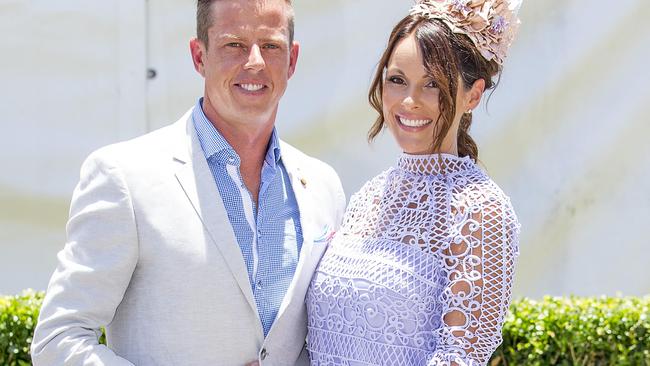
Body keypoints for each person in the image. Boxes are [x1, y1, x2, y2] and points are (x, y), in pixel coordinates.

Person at [31, 0, 346, 365]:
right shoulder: (124, 177)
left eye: (270, 45)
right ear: (199, 56)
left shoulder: (323, 186)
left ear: (292, 60)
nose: (255, 62)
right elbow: (58, 340)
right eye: (234, 45)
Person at [306, 0, 522, 365]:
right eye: (397, 80)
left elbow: (460, 358)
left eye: (433, 84)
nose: (410, 101)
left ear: (473, 94)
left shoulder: (482, 209)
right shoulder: (366, 197)